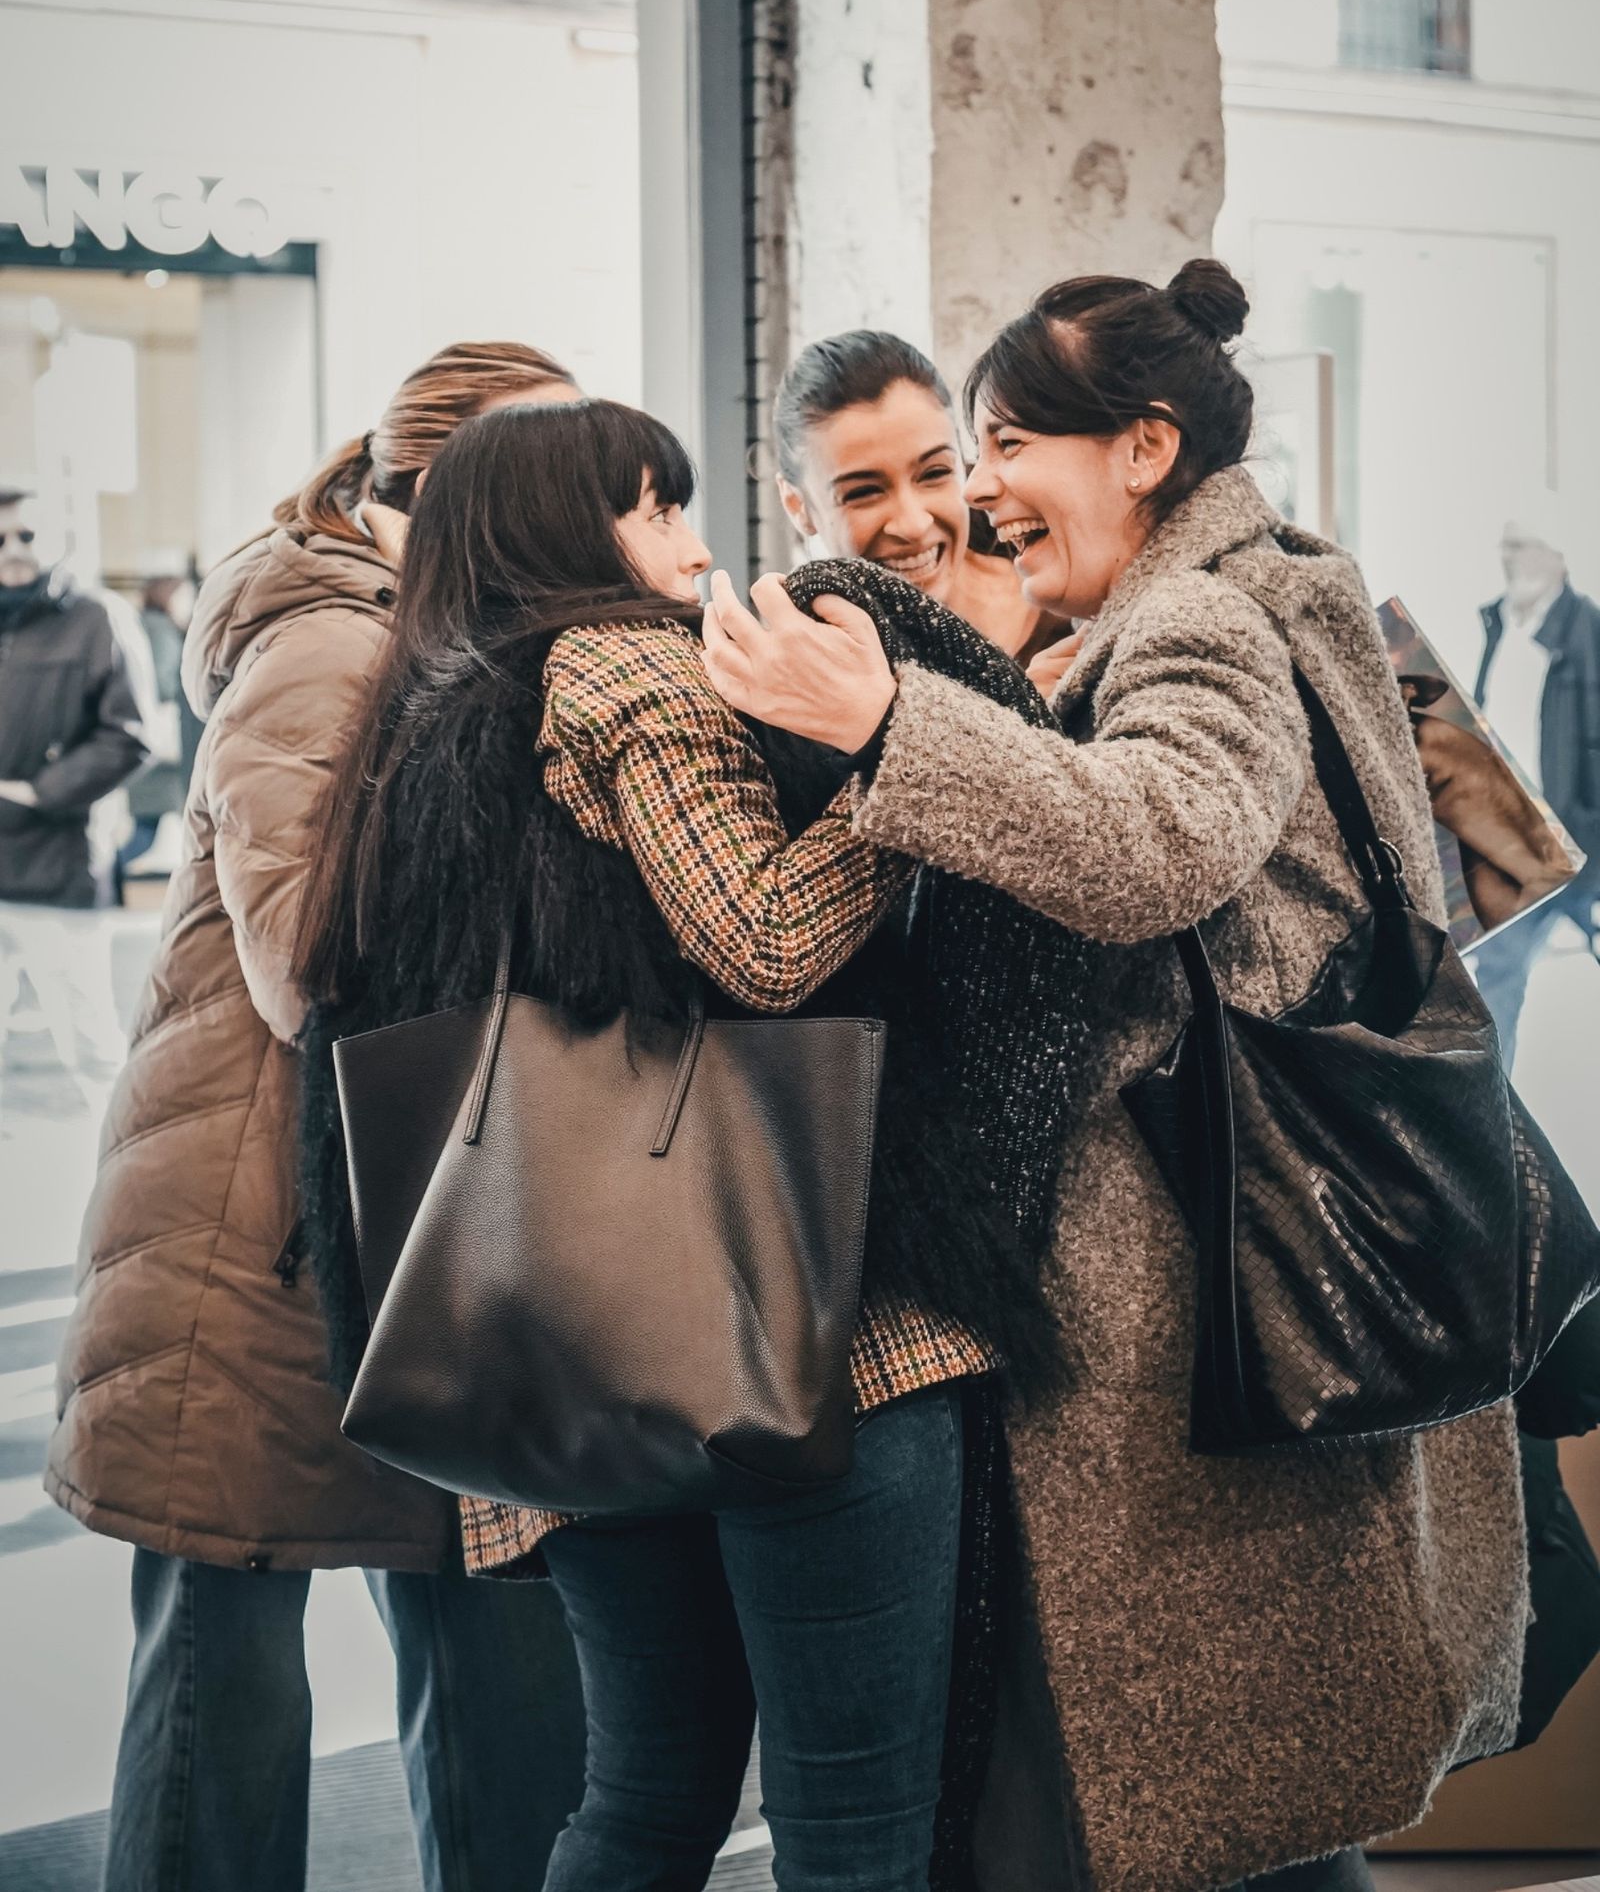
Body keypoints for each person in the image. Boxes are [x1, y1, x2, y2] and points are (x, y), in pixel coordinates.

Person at [703, 260, 1528, 1892]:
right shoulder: (1287, 582)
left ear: (1142, 448)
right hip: (1266, 1247)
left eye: (1002, 441)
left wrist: (885, 724)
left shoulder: (1202, 617)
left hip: (1201, 1271)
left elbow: (1156, 843)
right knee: (1259, 1805)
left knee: (1210, 1799)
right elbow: (1498, 863)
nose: (982, 485)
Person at [292, 396, 1063, 1892]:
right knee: (855, 1827)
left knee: (645, 1798)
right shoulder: (621, 665)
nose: (696, 548)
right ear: (563, 531)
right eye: (656, 510)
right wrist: (908, 765)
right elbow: (766, 938)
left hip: (562, 1347)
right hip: (797, 1325)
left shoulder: (418, 721)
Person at [45, 344, 588, 1892]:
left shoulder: (442, 641)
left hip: (390, 1229)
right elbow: (306, 961)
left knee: (492, 1646)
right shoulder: (335, 651)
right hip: (254, 1246)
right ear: (435, 490)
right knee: (223, 1693)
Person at [773, 327, 1067, 676]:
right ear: (798, 506)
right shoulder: (802, 679)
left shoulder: (1070, 610)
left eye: (934, 473)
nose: (914, 525)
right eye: (863, 493)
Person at [0, 485, 147, 1100]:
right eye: (0, 539)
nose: (12, 551)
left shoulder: (96, 618)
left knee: (91, 1048)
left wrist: (41, 792)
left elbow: (128, 735)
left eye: (26, 536)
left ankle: (128, 1185)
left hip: (54, 867)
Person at [1471, 508, 1600, 1067]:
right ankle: (1496, 1121)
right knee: (1498, 975)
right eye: (1505, 545)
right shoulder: (1498, 624)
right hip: (1513, 841)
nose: (1508, 557)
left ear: (1556, 554)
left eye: (1521, 545)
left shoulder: (1587, 630)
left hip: (1577, 839)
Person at [114, 559, 202, 891]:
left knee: (146, 830)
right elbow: (166, 684)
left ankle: (107, 877)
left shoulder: (147, 625)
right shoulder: (160, 630)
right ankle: (105, 877)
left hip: (155, 749)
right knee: (148, 832)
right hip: (166, 750)